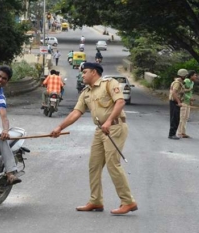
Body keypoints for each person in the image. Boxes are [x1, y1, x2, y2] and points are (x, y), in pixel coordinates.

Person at [50, 62, 137, 215]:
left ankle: (128, 202)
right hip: (100, 130)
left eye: (85, 72)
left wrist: (109, 121)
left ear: (94, 72)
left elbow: (120, 102)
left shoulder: (109, 83)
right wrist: (60, 127)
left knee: (112, 164)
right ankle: (95, 201)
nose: (82, 75)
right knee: (94, 165)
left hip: (114, 127)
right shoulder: (86, 92)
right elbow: (76, 112)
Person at [177, 70, 197, 138]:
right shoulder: (187, 81)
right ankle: (180, 132)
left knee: (186, 117)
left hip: (188, 102)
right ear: (191, 76)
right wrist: (189, 98)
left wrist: (191, 99)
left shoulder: (192, 82)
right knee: (182, 117)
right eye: (195, 75)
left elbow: (190, 92)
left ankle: (183, 132)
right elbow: (182, 91)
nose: (196, 76)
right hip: (184, 101)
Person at [168, 69, 187, 139]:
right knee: (174, 118)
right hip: (174, 102)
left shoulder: (179, 82)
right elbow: (174, 92)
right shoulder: (177, 83)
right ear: (183, 75)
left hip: (175, 101)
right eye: (185, 75)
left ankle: (173, 134)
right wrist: (178, 102)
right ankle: (171, 134)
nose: (186, 77)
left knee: (176, 118)